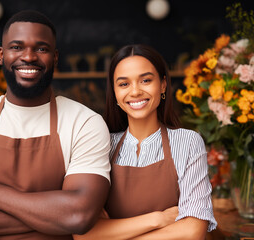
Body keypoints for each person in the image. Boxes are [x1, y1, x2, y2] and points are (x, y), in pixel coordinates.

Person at [0, 10, 111, 240]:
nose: (29, 56)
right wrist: (51, 219)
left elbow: (78, 216)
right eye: (17, 47)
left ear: (55, 58)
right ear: (1, 55)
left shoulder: (84, 123)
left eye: (41, 48)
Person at [74, 44, 217, 240]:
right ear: (114, 92)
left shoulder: (188, 142)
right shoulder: (101, 145)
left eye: (146, 80)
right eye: (124, 84)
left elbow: (193, 231)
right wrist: (157, 219)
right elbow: (84, 235)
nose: (135, 92)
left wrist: (112, 234)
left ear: (163, 84)